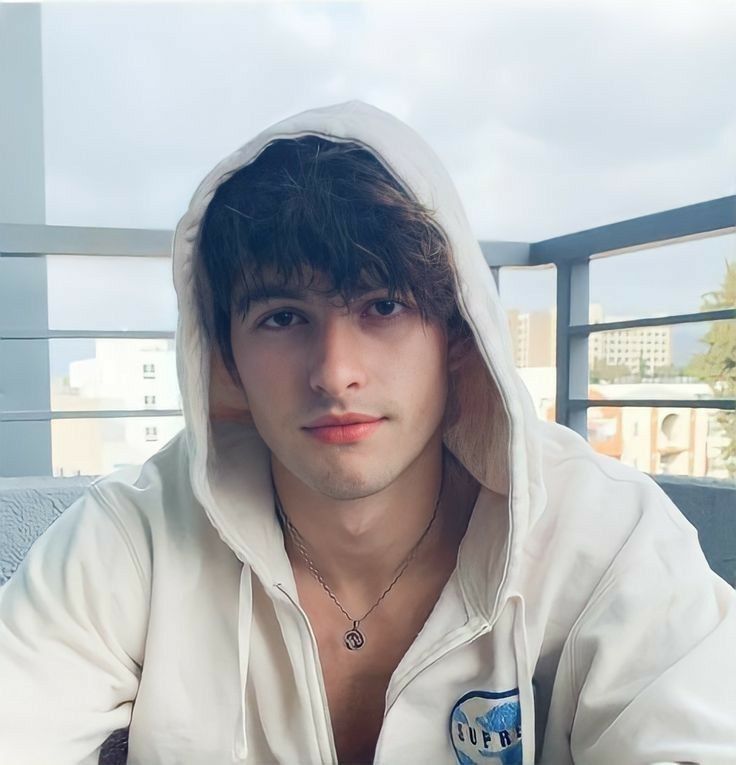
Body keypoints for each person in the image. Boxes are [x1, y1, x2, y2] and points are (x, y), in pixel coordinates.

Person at [0, 100, 734, 765]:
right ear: (225, 357)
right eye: (283, 317)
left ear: (456, 335)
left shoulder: (603, 532)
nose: (335, 371)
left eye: (382, 305)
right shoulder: (133, 537)